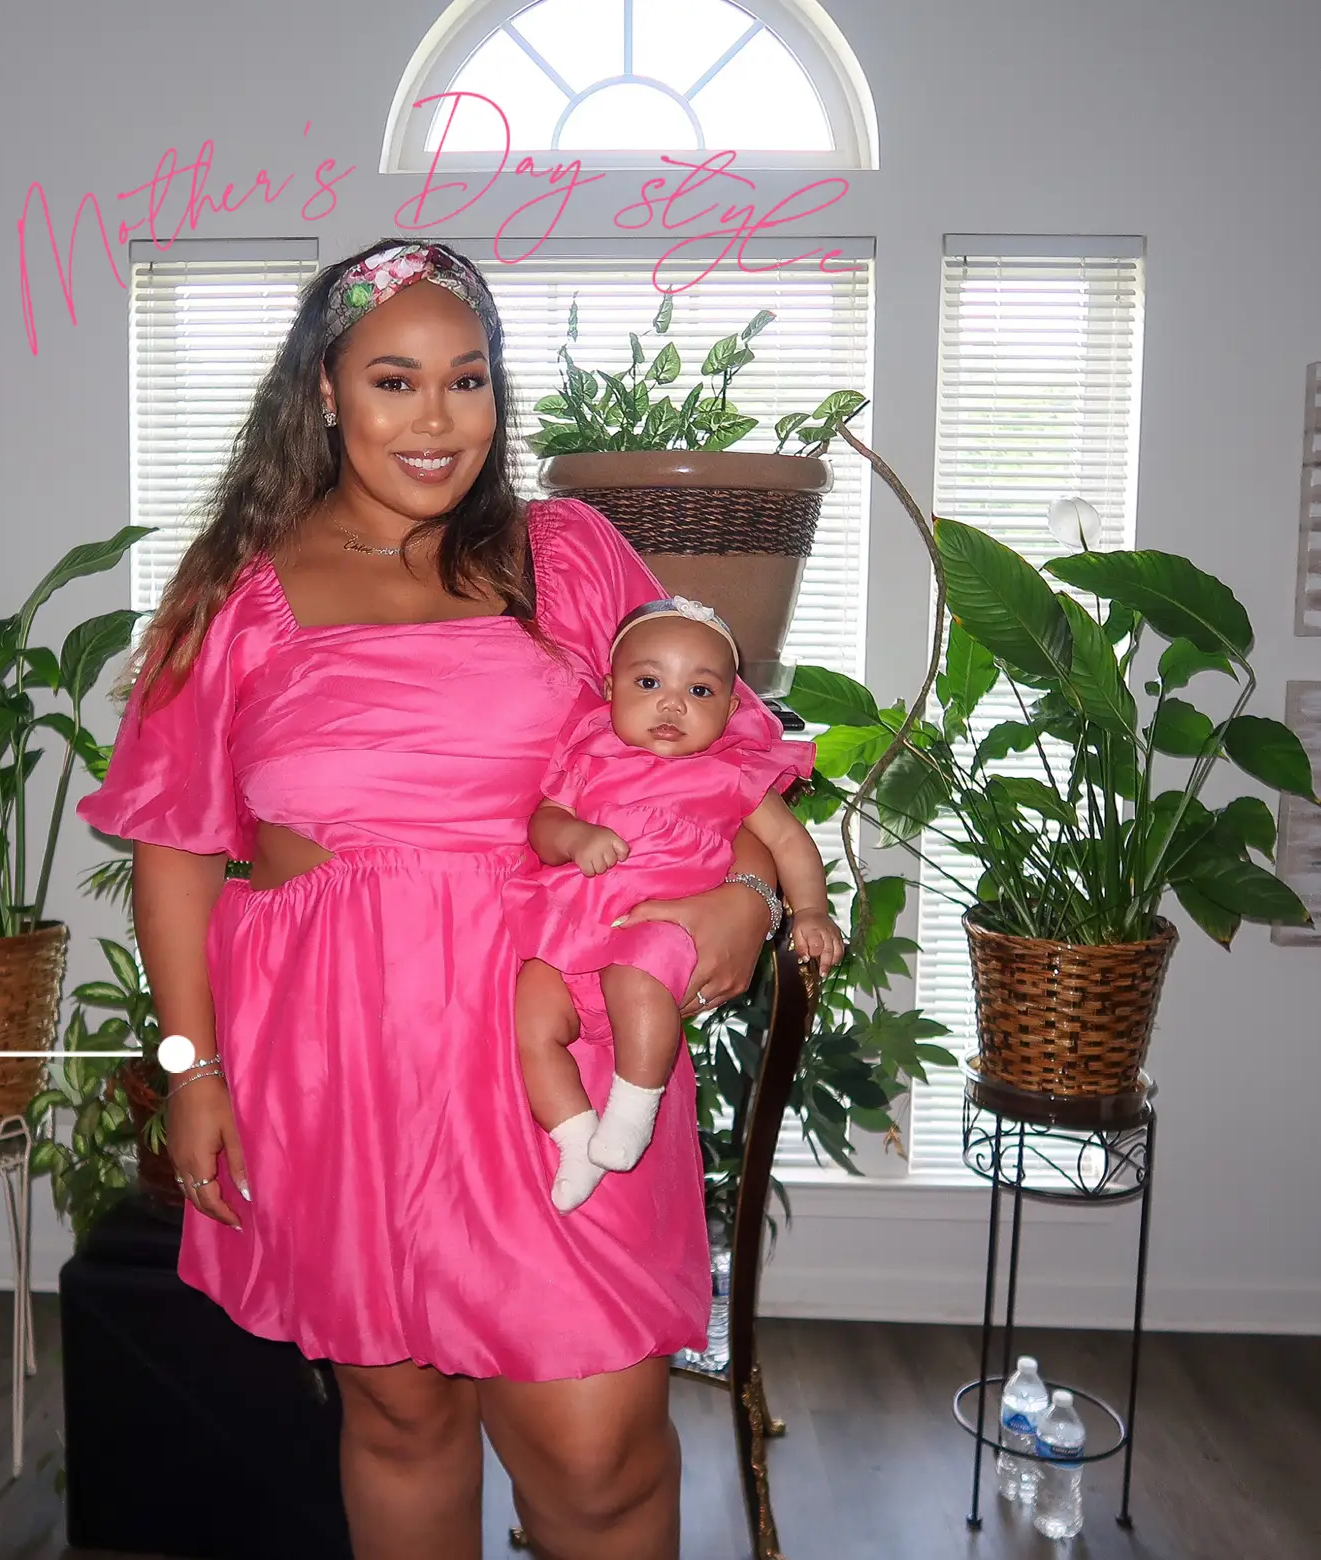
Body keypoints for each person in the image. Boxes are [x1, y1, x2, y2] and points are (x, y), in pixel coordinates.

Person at [76, 238, 795, 1560]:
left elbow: (732, 758)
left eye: (467, 381)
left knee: (598, 1453)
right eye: (395, 379)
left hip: (548, 1033)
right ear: (325, 396)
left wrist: (749, 899)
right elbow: (176, 850)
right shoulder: (231, 599)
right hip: (336, 1046)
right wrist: (191, 1071)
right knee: (399, 1412)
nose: (436, 418)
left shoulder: (568, 560)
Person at [505, 595, 844, 1215]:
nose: (672, 703)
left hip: (661, 930)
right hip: (577, 932)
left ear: (732, 710)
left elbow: (791, 843)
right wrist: (575, 837)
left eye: (701, 691)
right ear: (610, 689)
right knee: (531, 1007)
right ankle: (575, 1134)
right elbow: (545, 823)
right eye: (649, 681)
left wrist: (811, 911)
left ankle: (632, 1110)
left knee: (637, 974)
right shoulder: (587, 761)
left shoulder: (732, 773)